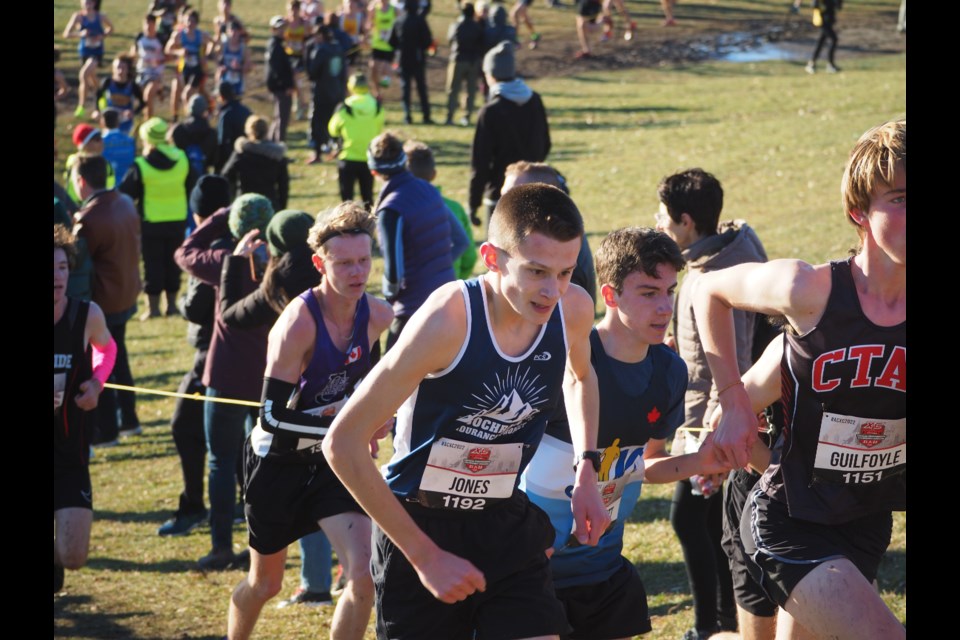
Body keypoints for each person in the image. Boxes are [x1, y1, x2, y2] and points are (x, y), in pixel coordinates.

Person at [322, 183, 609, 639]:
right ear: (491, 258)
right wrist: (424, 556)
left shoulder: (572, 310)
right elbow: (340, 444)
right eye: (536, 271)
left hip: (504, 520)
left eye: (566, 272)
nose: (552, 290)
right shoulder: (448, 320)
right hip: (419, 523)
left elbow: (580, 376)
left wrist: (587, 468)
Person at [693, 120, 905, 639]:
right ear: (859, 211)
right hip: (788, 517)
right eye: (900, 197)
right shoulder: (810, 290)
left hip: (865, 518)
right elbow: (707, 291)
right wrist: (735, 401)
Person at [520, 226, 729, 640]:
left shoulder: (670, 373)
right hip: (531, 574)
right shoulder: (563, 359)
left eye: (670, 291)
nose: (665, 307)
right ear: (611, 296)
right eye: (649, 293)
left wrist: (700, 461)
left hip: (603, 570)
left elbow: (643, 466)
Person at [226, 202, 394, 640]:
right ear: (320, 263)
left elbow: (368, 385)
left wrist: (375, 418)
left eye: (364, 260)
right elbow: (271, 417)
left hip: (332, 465)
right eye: (344, 264)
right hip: (277, 463)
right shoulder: (297, 324)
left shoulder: (377, 315)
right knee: (266, 584)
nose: (357, 272)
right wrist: (345, 428)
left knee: (363, 578)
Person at [654, 168, 768, 640]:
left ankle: (711, 625)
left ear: (686, 221)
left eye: (663, 217)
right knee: (719, 525)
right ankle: (724, 620)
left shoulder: (712, 277)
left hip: (718, 420)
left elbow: (710, 368)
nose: (657, 224)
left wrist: (703, 439)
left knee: (690, 520)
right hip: (731, 413)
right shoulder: (734, 248)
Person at [175, 193, 276, 570]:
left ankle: (220, 547)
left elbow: (185, 251)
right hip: (270, 376)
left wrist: (220, 214)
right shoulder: (279, 262)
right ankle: (263, 549)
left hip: (226, 375)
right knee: (262, 461)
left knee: (220, 461)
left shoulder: (223, 262)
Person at [158, 175, 233, 537]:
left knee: (184, 426)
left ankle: (194, 506)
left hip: (211, 354)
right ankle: (235, 504)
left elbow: (194, 307)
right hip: (226, 352)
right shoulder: (238, 240)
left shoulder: (214, 248)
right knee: (235, 434)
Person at [54, 224, 115, 594]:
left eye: (62, 267)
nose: (57, 276)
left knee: (74, 556)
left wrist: (96, 383)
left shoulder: (85, 315)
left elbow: (107, 350)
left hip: (69, 452)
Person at [71, 155, 143, 446]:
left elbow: (77, 261)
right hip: (126, 292)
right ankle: (129, 418)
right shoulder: (124, 202)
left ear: (81, 181)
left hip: (105, 300)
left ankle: (108, 430)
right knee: (119, 356)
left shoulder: (88, 219)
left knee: (103, 362)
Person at [368, 131, 459, 348]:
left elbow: (393, 276)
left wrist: (386, 302)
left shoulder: (391, 209)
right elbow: (459, 240)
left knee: (392, 374)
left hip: (412, 309)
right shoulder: (429, 190)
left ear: (373, 171)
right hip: (449, 299)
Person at [119, 116, 197, 320]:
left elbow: (126, 193)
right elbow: (192, 185)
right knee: (173, 263)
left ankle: (152, 309)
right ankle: (171, 305)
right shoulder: (182, 158)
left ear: (147, 140)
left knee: (152, 264)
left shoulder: (141, 165)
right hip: (177, 219)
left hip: (151, 222)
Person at [469, 40, 550, 227]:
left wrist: (473, 203)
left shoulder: (490, 112)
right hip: (535, 192)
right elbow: (545, 143)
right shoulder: (535, 100)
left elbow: (480, 162)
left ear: (491, 75)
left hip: (500, 196)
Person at [501, 161, 596, 304]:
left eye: (513, 196)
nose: (503, 204)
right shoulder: (531, 238)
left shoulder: (561, 249)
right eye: (503, 196)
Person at [404, 140, 477, 280]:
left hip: (414, 287)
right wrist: (458, 278)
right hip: (450, 283)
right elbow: (470, 256)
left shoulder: (402, 210)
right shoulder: (455, 208)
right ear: (434, 174)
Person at [327, 73, 384, 204]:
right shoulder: (377, 106)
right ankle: (371, 224)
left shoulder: (344, 107)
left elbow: (332, 129)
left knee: (346, 201)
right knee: (368, 198)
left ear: (350, 87)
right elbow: (379, 128)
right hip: (369, 157)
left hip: (347, 157)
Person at [221, 115, 290, 212]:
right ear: (266, 131)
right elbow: (283, 186)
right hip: (269, 205)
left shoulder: (241, 153)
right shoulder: (276, 155)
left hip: (244, 204)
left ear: (248, 131)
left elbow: (225, 175)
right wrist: (281, 207)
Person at [63, 0, 114, 117]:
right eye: (86, 1)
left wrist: (102, 36)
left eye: (91, 1)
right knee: (91, 77)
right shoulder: (78, 16)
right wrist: (80, 34)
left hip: (97, 52)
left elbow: (111, 28)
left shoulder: (101, 16)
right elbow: (66, 34)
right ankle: (102, 94)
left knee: (83, 74)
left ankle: (81, 106)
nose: (88, 3)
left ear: (95, 3)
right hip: (84, 51)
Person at [306, 24, 348, 163]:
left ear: (320, 36)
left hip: (321, 93)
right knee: (336, 123)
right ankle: (338, 148)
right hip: (337, 92)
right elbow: (343, 72)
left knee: (318, 123)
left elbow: (312, 72)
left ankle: (317, 154)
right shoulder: (338, 48)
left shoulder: (320, 50)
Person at [388, 0, 434, 125]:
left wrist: (400, 48)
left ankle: (407, 115)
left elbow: (391, 42)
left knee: (405, 88)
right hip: (417, 59)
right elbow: (428, 41)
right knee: (421, 88)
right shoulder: (420, 21)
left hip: (403, 59)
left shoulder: (398, 21)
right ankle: (426, 115)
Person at [165, 9, 215, 120]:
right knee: (194, 92)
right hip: (185, 69)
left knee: (186, 94)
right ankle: (207, 108)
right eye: (187, 21)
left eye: (192, 21)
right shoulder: (179, 35)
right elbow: (168, 49)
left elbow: (213, 42)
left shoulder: (201, 35)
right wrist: (179, 52)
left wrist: (206, 54)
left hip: (198, 69)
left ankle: (191, 118)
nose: (189, 24)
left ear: (196, 23)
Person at [444, 3, 484, 127]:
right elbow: (481, 43)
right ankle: (466, 116)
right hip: (472, 61)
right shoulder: (477, 27)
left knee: (452, 90)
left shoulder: (456, 25)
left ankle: (450, 116)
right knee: (470, 90)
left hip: (457, 60)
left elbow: (450, 40)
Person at [131, 13, 168, 119]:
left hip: (156, 72)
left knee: (148, 96)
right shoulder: (139, 37)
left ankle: (149, 122)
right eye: (146, 24)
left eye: (151, 24)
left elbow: (168, 55)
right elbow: (134, 51)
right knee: (144, 99)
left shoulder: (161, 38)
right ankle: (146, 117)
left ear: (155, 25)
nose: (148, 27)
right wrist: (130, 59)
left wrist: (159, 60)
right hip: (142, 70)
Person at [95, 55, 144, 135]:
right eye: (118, 67)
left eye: (123, 68)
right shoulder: (107, 82)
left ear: (128, 69)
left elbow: (142, 103)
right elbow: (98, 96)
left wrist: (133, 112)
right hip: (109, 119)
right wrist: (97, 110)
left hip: (125, 120)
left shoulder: (132, 85)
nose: (120, 71)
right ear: (113, 69)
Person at [266, 15, 296, 143]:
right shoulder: (275, 46)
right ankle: (279, 148)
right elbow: (278, 70)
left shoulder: (278, 44)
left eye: (283, 28)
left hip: (279, 87)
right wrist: (287, 86)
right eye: (279, 28)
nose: (282, 31)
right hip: (281, 88)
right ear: (273, 29)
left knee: (277, 118)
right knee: (282, 119)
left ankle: (271, 144)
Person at [215, 81, 252, 173]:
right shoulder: (246, 110)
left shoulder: (226, 115)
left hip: (233, 162)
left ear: (221, 96)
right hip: (248, 157)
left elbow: (222, 142)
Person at [366, 0, 397, 98]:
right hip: (377, 43)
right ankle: (377, 92)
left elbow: (400, 22)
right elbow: (368, 24)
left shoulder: (394, 10)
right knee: (373, 67)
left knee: (385, 68)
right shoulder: (375, 9)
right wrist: (369, 27)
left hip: (389, 44)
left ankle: (387, 78)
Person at [100, 109, 136, 187]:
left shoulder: (100, 143)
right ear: (118, 122)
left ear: (102, 123)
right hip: (128, 185)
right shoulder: (130, 140)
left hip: (107, 186)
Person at [217, 19, 251, 98]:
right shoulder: (223, 46)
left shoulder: (244, 48)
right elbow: (217, 61)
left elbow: (249, 68)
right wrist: (220, 68)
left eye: (236, 31)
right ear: (227, 32)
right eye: (231, 30)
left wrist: (239, 67)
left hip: (238, 83)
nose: (233, 33)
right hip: (224, 81)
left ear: (239, 32)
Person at [806, 0, 842, 73]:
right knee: (833, 39)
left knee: (821, 41)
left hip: (829, 19)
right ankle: (830, 64)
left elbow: (837, 6)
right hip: (822, 20)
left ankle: (812, 63)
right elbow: (814, 4)